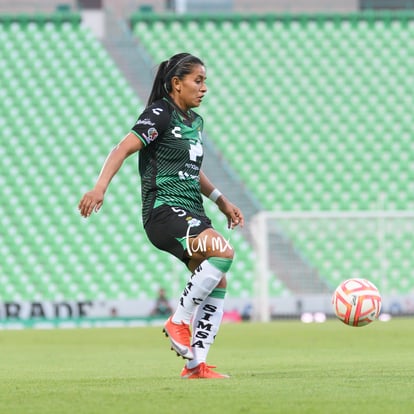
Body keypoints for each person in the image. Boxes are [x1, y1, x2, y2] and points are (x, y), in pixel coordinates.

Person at [78, 52, 244, 379]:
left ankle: (196, 365)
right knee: (223, 252)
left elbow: (191, 170)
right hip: (164, 212)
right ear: (176, 84)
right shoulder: (159, 114)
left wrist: (221, 201)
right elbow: (123, 148)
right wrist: (99, 188)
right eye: (198, 80)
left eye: (205, 81)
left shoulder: (193, 122)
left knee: (217, 280)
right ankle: (178, 320)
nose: (204, 88)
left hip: (192, 211)